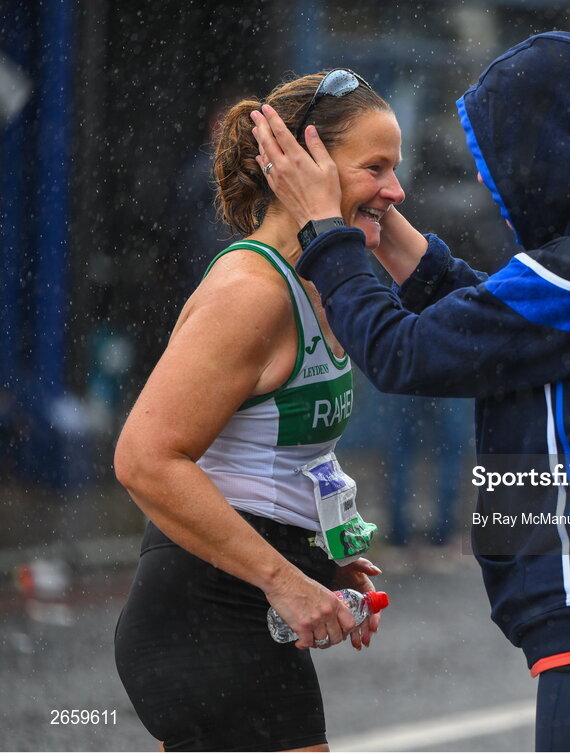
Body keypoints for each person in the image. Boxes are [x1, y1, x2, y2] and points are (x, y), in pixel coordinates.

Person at [252, 32, 570, 751]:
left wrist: (324, 231)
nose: (499, 179)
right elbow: (516, 326)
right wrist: (382, 224)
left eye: (501, 155)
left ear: (543, 151)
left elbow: (402, 354)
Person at [112, 70, 395, 751]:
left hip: (243, 605)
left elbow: (272, 452)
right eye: (376, 168)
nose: (395, 191)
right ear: (307, 166)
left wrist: (322, 557)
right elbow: (144, 460)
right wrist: (284, 579)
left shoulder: (316, 281)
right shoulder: (251, 291)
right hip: (205, 613)